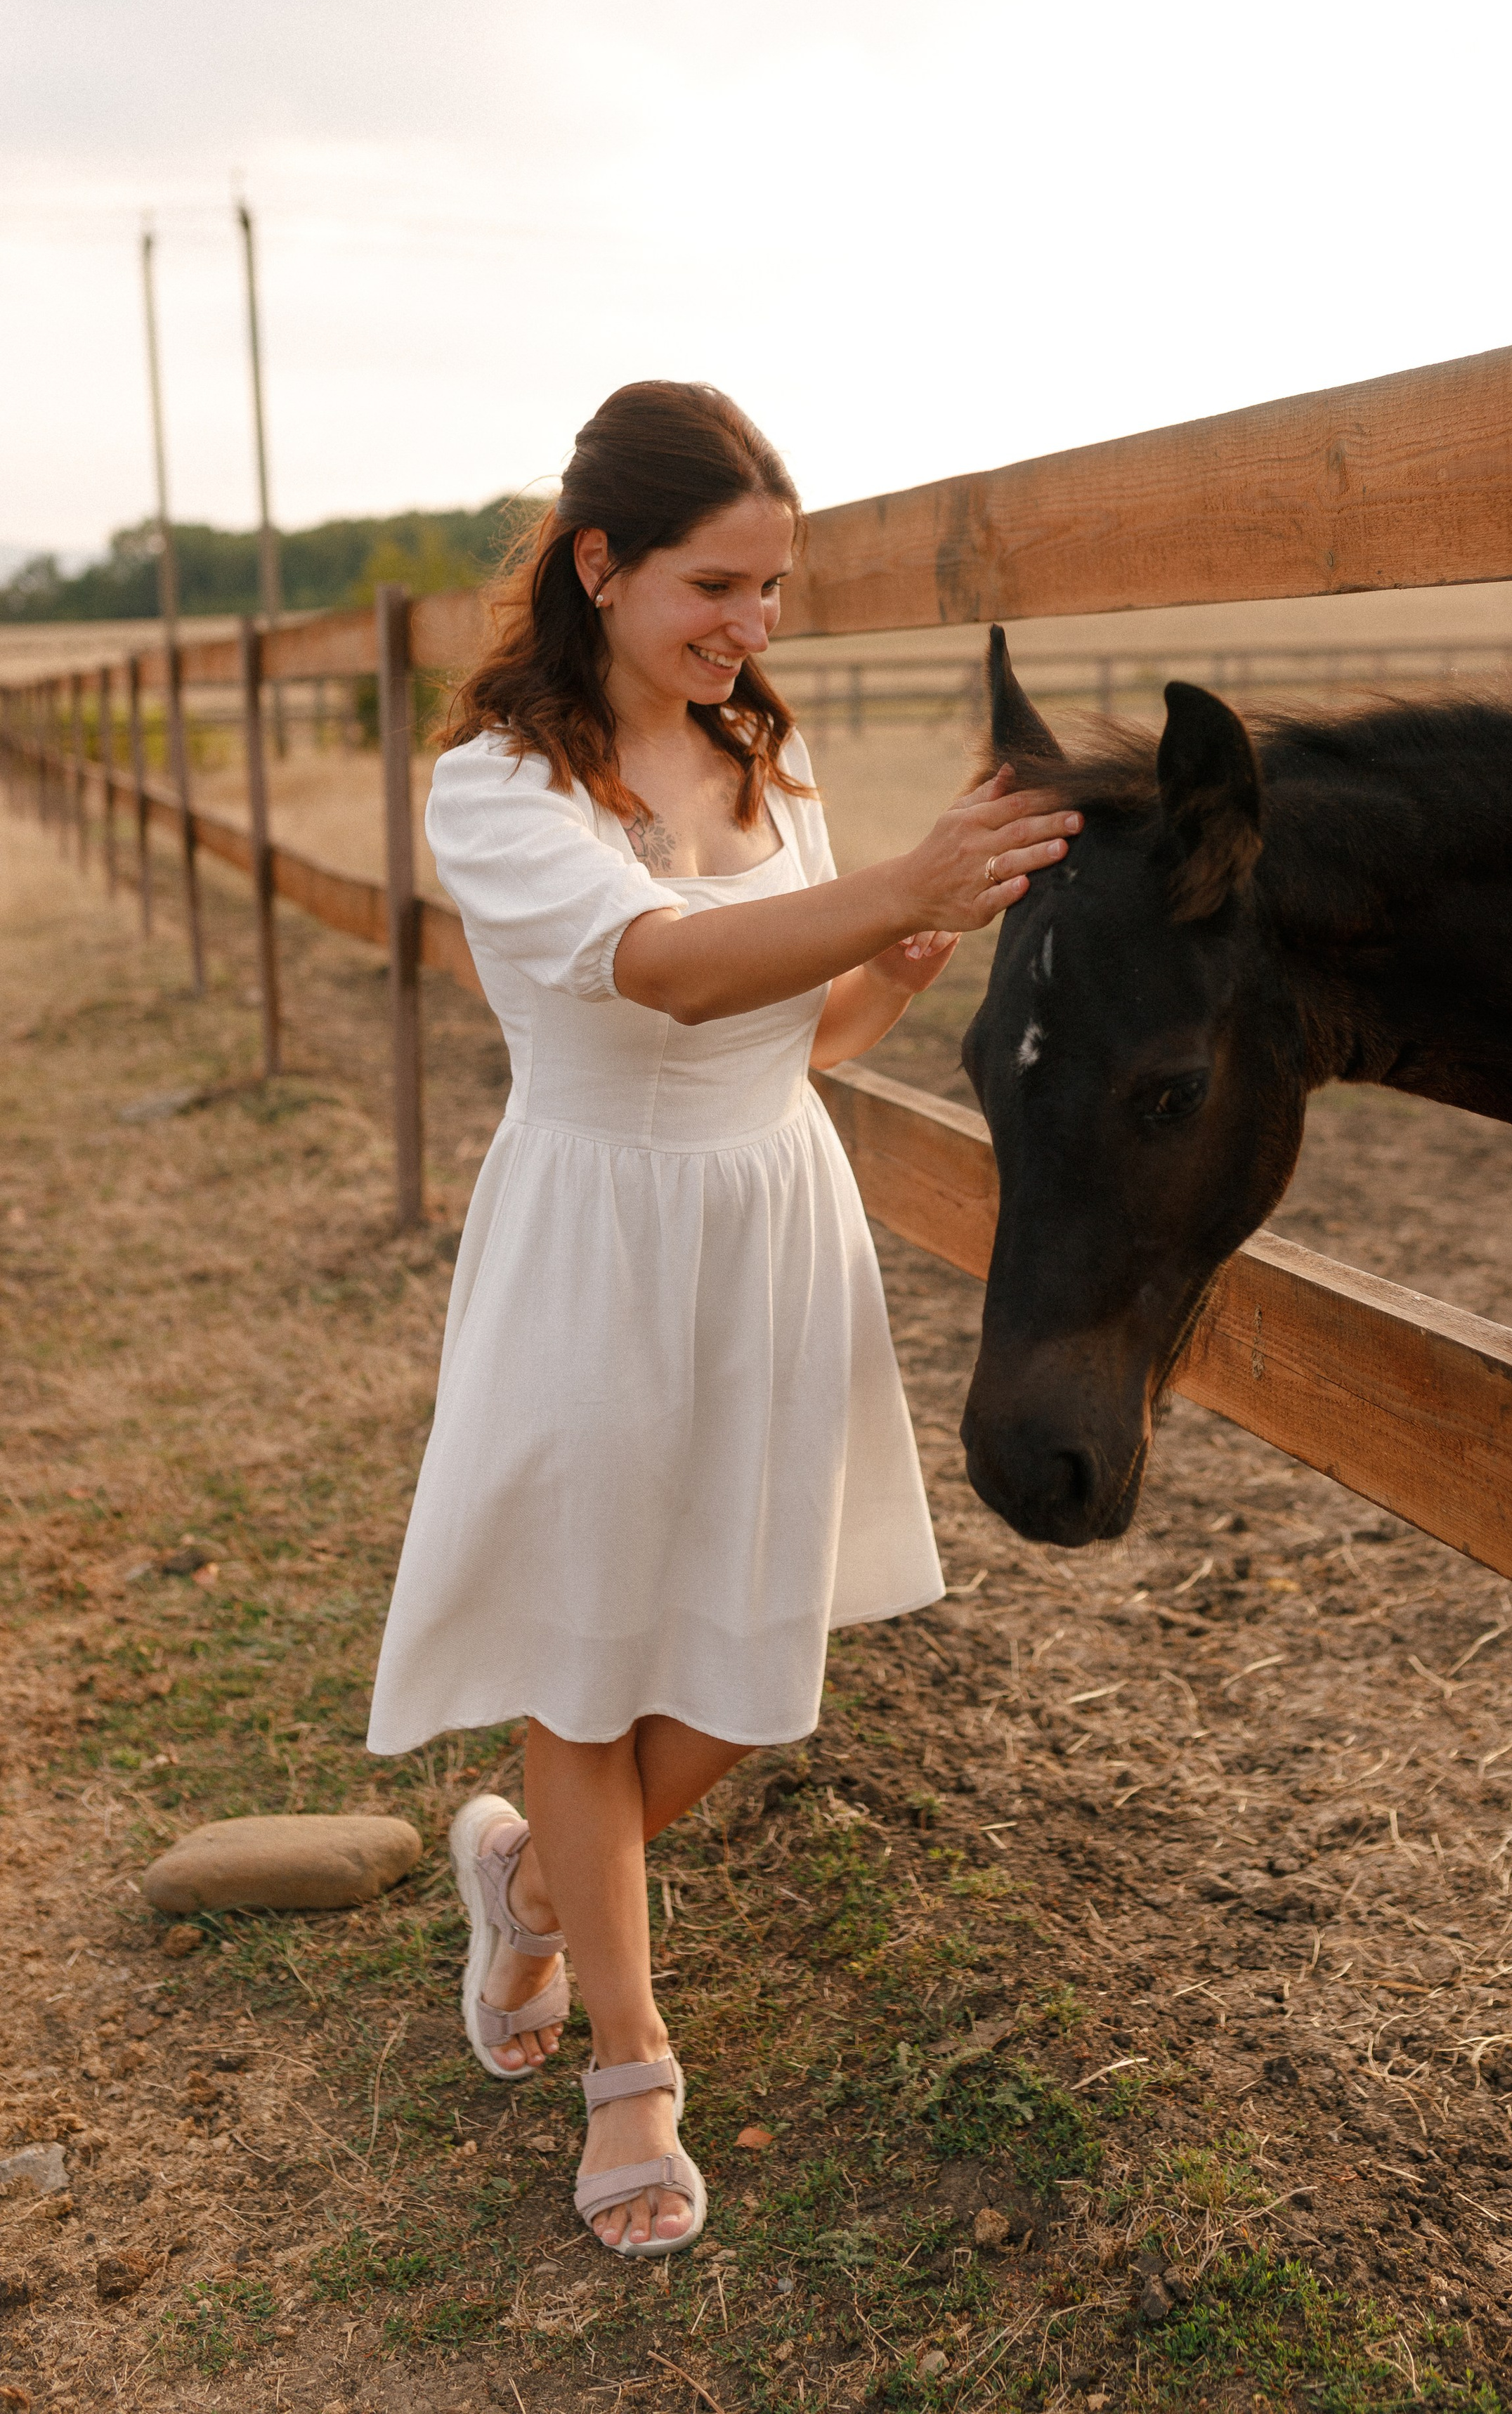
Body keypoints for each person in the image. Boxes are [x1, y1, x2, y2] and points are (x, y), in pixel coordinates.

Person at [366, 381, 1079, 2257]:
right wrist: (895, 886)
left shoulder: (774, 756)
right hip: (593, 1232)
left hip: (773, 1218)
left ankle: (527, 1882)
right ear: (598, 566)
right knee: (584, 1654)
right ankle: (630, 2054)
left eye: (776, 591)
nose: (753, 630)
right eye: (716, 587)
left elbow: (794, 1032)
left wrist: (894, 958)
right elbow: (668, 976)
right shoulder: (493, 786)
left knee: (754, 1669)